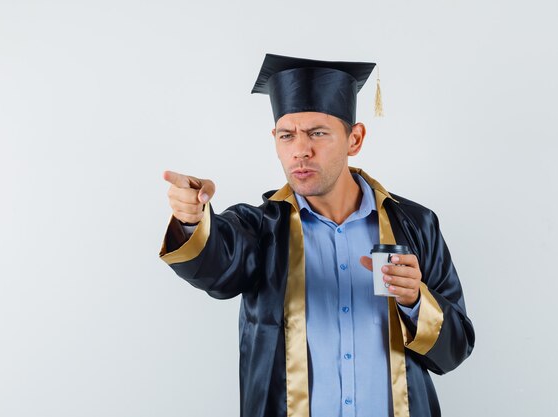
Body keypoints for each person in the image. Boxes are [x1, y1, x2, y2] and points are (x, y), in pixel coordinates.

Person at [159, 53, 474, 417]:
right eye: (286, 135)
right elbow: (217, 266)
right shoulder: (261, 228)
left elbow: (456, 349)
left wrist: (415, 302)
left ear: (354, 139)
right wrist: (192, 218)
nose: (300, 150)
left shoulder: (415, 225)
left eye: (317, 133)